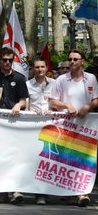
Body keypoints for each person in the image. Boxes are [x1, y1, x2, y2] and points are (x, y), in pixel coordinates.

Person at [49, 49, 98, 207]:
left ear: (82, 61)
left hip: (85, 125)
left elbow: (96, 100)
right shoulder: (61, 79)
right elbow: (52, 102)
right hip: (66, 125)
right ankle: (70, 193)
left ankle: (81, 193)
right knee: (67, 159)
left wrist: (88, 107)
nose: (72, 62)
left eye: (75, 59)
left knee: (83, 158)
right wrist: (66, 105)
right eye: (69, 59)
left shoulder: (91, 79)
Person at [0, 47, 29, 204]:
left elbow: (24, 99)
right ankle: (1, 192)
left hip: (14, 123)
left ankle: (15, 190)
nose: (7, 63)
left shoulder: (20, 78)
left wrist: (18, 105)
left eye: (10, 60)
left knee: (14, 157)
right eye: (4, 60)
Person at [26, 58, 56, 205]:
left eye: (42, 67)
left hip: (52, 126)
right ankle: (37, 192)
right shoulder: (27, 85)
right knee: (35, 160)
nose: (39, 70)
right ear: (33, 69)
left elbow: (59, 102)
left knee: (48, 159)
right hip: (33, 126)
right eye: (37, 67)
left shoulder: (55, 84)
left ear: (46, 68)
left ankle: (44, 193)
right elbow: (26, 106)